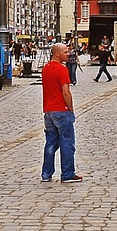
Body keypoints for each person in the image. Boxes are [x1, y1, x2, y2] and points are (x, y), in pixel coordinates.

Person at [42, 42, 82, 183]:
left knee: (50, 143)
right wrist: (71, 110)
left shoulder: (46, 68)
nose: (68, 54)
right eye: (65, 52)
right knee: (67, 143)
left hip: (48, 111)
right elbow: (66, 92)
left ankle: (46, 173)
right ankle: (67, 173)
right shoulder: (61, 69)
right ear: (57, 53)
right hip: (61, 110)